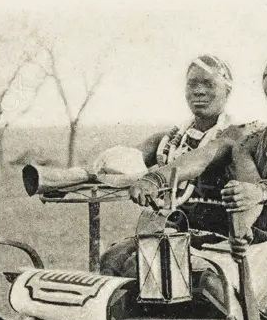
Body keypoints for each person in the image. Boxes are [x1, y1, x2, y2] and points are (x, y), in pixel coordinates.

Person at [125, 48, 267, 315]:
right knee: (152, 268)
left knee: (206, 281)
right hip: (253, 247)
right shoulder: (251, 140)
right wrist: (156, 178)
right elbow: (215, 168)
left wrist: (260, 192)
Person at [98, 55, 246, 276]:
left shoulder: (236, 135)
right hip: (171, 233)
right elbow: (127, 160)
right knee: (111, 259)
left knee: (137, 269)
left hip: (218, 242)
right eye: (192, 84)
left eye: (208, 84)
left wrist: (154, 179)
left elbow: (202, 157)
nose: (199, 91)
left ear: (227, 90)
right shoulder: (168, 139)